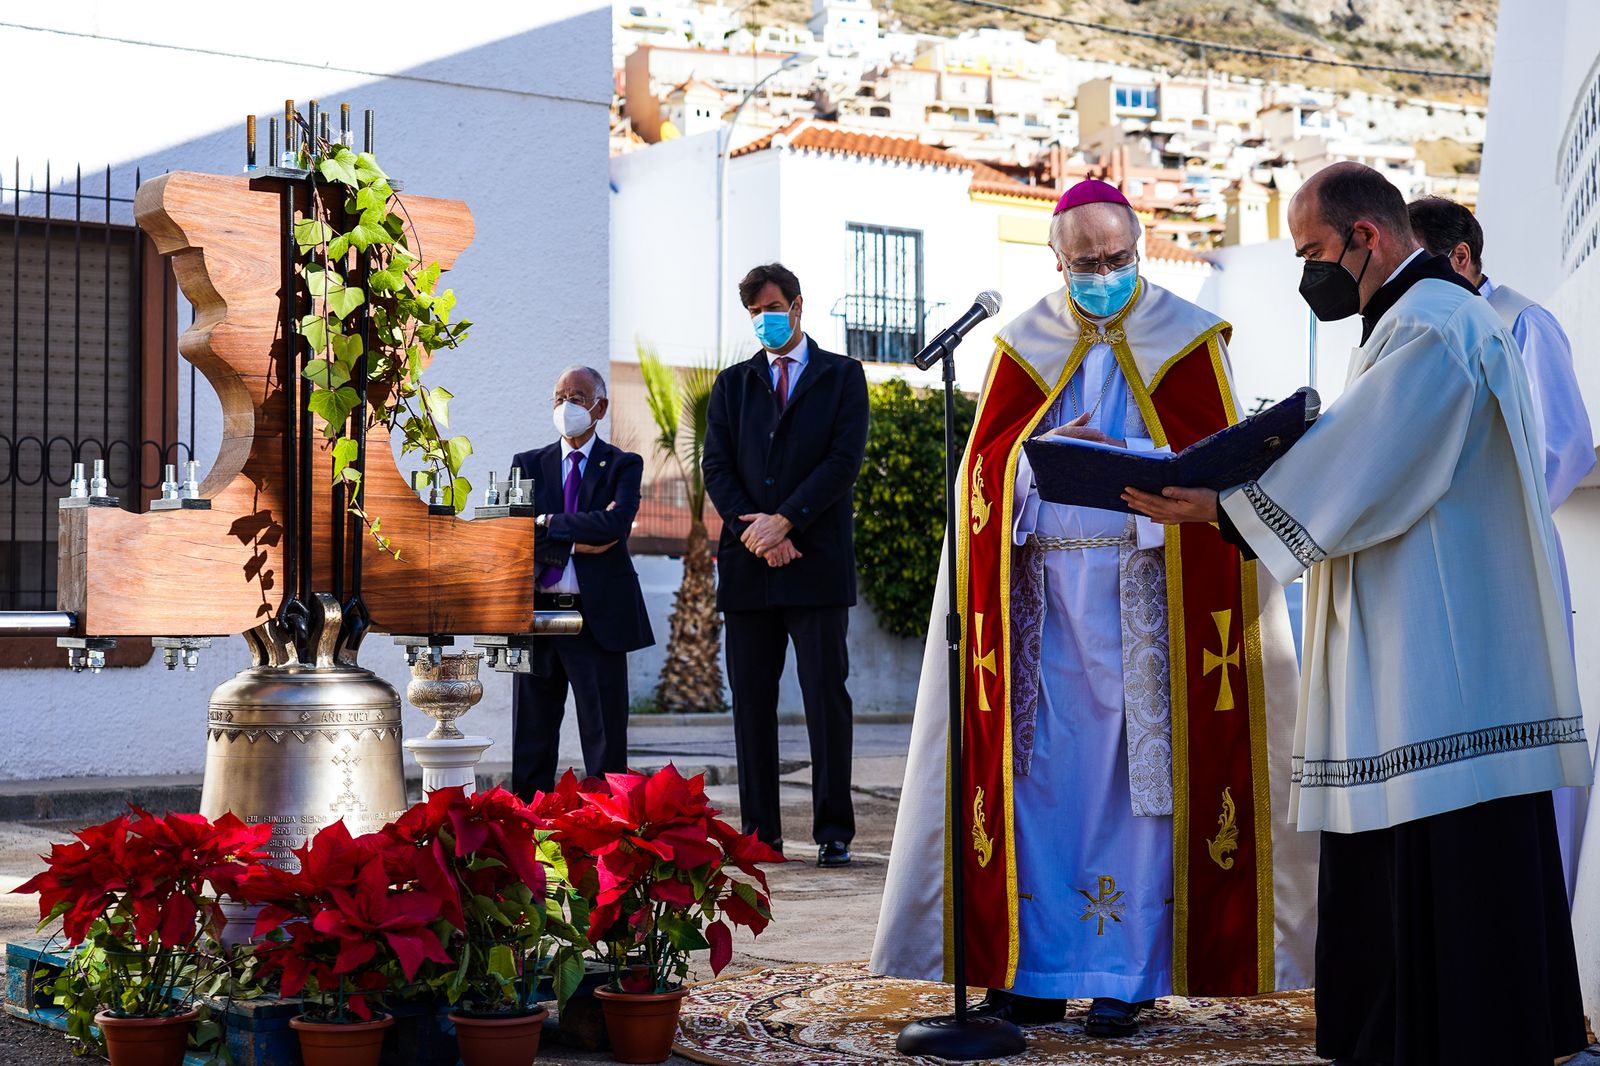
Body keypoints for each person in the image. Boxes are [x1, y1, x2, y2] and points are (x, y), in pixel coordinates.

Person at [1126, 162, 1592, 1066]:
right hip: (1421, 634)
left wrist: (1216, 504)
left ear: (1366, 238)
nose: (1310, 274)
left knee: (1444, 854)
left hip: (1440, 658)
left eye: (1312, 253)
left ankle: (1443, 1041)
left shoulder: (1431, 323)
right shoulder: (1415, 320)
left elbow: (1365, 464)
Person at [871, 179, 1315, 1038]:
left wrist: (1136, 458)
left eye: (1117, 260)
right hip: (1040, 613)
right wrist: (1035, 469)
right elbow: (981, 477)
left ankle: (1130, 975)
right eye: (1086, 263)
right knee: (1038, 784)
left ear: (1138, 251)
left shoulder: (1187, 340)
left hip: (1148, 607)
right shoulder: (1020, 346)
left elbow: (1218, 468)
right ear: (1057, 259)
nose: (1103, 276)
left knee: (1142, 790)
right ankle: (1033, 973)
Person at [1408, 194, 1597, 897]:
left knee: (1525, 728)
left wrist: (1485, 513)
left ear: (1461, 258)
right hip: (1443, 562)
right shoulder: (1422, 328)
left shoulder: (1522, 323)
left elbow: (1564, 445)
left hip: (1510, 554)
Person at [702, 262, 868, 868]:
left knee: (826, 697)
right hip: (750, 564)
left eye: (770, 308)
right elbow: (716, 467)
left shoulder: (843, 376)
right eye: (753, 314)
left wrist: (788, 521)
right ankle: (760, 833)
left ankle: (833, 830)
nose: (763, 321)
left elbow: (842, 461)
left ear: (797, 306)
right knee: (751, 701)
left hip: (815, 561)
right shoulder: (732, 385)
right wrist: (759, 531)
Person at [508, 366, 653, 798]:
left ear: (599, 407)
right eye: (558, 397)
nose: (565, 405)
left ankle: (606, 837)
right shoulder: (528, 464)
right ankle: (527, 836)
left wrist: (550, 521)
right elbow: (516, 535)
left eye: (576, 396)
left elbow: (615, 524)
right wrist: (577, 540)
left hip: (598, 622)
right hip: (537, 619)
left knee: (605, 745)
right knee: (531, 742)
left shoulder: (623, 465)